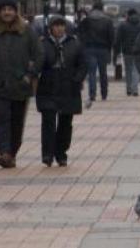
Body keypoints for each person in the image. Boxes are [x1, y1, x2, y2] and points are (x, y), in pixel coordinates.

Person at [0, 0, 41, 169]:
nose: (7, 12)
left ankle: (11, 153)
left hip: (20, 85)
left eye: (10, 9)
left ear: (16, 11)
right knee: (2, 118)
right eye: (3, 9)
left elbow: (39, 54)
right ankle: (4, 152)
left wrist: (30, 74)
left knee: (17, 121)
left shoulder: (27, 31)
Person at [36, 16, 86, 167]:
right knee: (48, 121)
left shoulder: (75, 43)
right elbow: (37, 63)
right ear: (50, 28)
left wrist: (77, 79)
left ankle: (61, 152)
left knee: (65, 122)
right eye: (56, 26)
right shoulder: (43, 44)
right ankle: (47, 154)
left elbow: (82, 64)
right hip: (48, 86)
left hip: (68, 86)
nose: (59, 29)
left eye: (61, 26)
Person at [78, 2, 115, 108]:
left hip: (89, 49)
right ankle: (104, 93)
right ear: (102, 9)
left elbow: (80, 33)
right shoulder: (107, 21)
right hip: (103, 49)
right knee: (103, 73)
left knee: (92, 73)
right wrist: (109, 48)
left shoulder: (86, 20)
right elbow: (111, 36)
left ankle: (92, 94)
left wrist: (84, 45)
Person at [114, 8, 140, 97]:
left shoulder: (123, 25)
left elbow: (118, 39)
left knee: (128, 70)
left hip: (126, 51)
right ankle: (135, 89)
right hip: (138, 51)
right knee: (136, 70)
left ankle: (128, 89)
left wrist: (117, 50)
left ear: (128, 15)